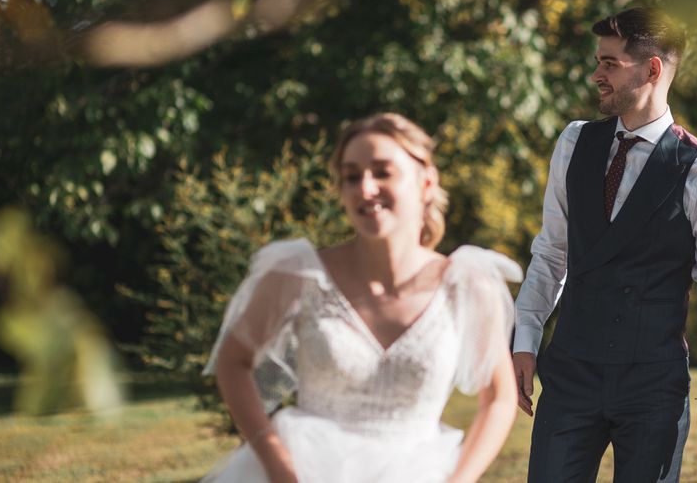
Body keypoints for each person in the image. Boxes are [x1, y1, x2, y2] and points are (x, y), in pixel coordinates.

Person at [201, 112, 520, 483]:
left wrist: (459, 480)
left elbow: (499, 398)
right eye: (352, 176)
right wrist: (277, 465)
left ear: (426, 182)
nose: (365, 188)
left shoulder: (466, 284)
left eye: (382, 171)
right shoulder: (297, 274)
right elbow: (232, 360)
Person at [513, 8, 697, 482]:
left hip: (653, 384)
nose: (596, 75)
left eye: (610, 64)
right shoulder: (574, 143)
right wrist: (525, 340)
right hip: (571, 373)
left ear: (652, 69)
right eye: (598, 61)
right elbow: (552, 253)